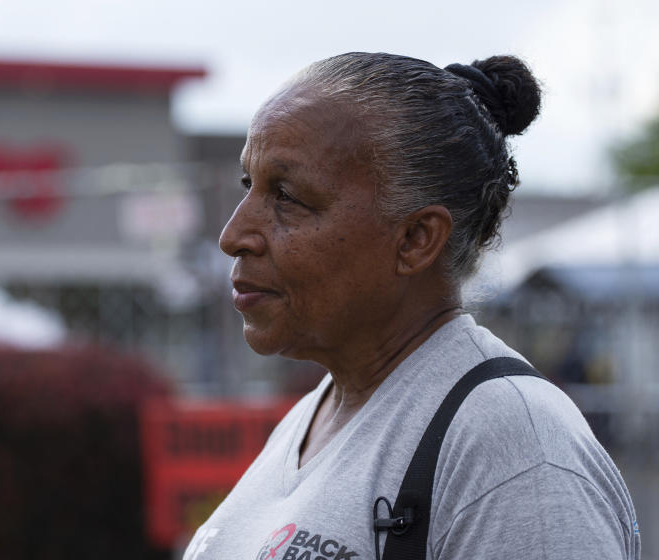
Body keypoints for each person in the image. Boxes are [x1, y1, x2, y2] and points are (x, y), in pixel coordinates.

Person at [184, 53, 640, 560]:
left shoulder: (514, 449)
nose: (233, 236)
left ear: (416, 240)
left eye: (288, 196)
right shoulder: (315, 415)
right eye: (251, 186)